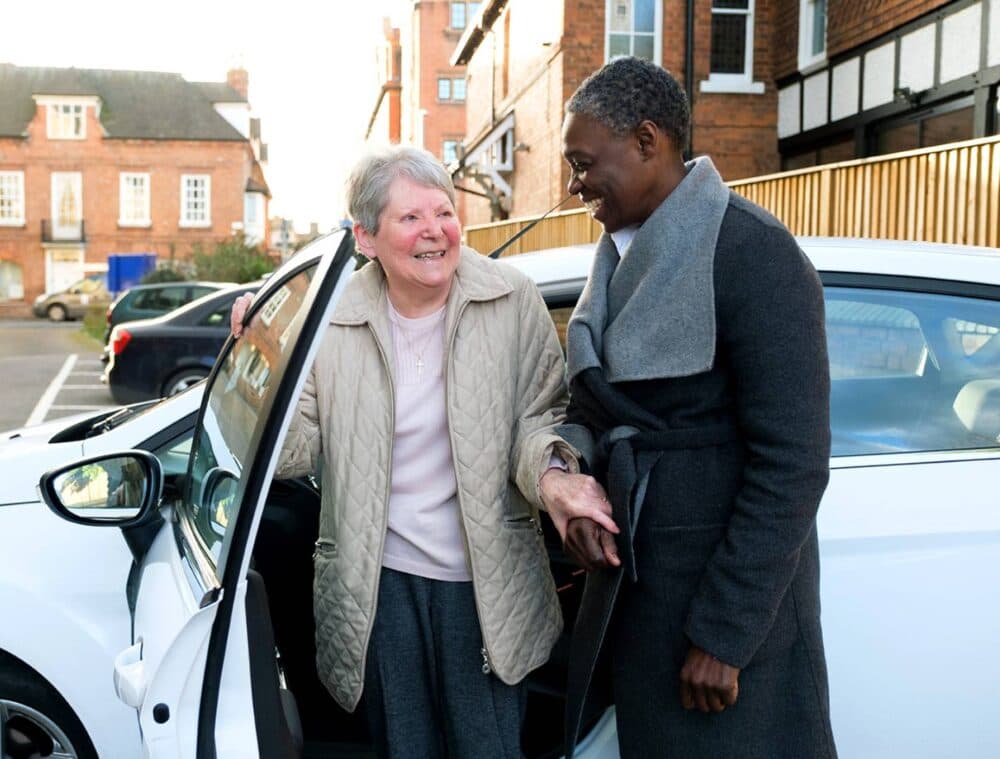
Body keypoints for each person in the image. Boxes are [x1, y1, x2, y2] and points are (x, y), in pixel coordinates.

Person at [231, 145, 613, 758]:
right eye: (410, 218)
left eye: (443, 212)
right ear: (365, 237)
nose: (434, 231)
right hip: (376, 585)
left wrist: (555, 476)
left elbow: (546, 418)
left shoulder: (511, 300)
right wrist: (265, 353)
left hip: (485, 583)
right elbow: (291, 452)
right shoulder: (329, 322)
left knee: (486, 747)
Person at [556, 57, 838, 758]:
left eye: (585, 162)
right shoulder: (616, 257)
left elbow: (794, 462)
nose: (574, 183)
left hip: (724, 623)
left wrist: (724, 633)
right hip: (641, 596)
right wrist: (578, 489)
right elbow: (595, 408)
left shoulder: (754, 253)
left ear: (647, 141)